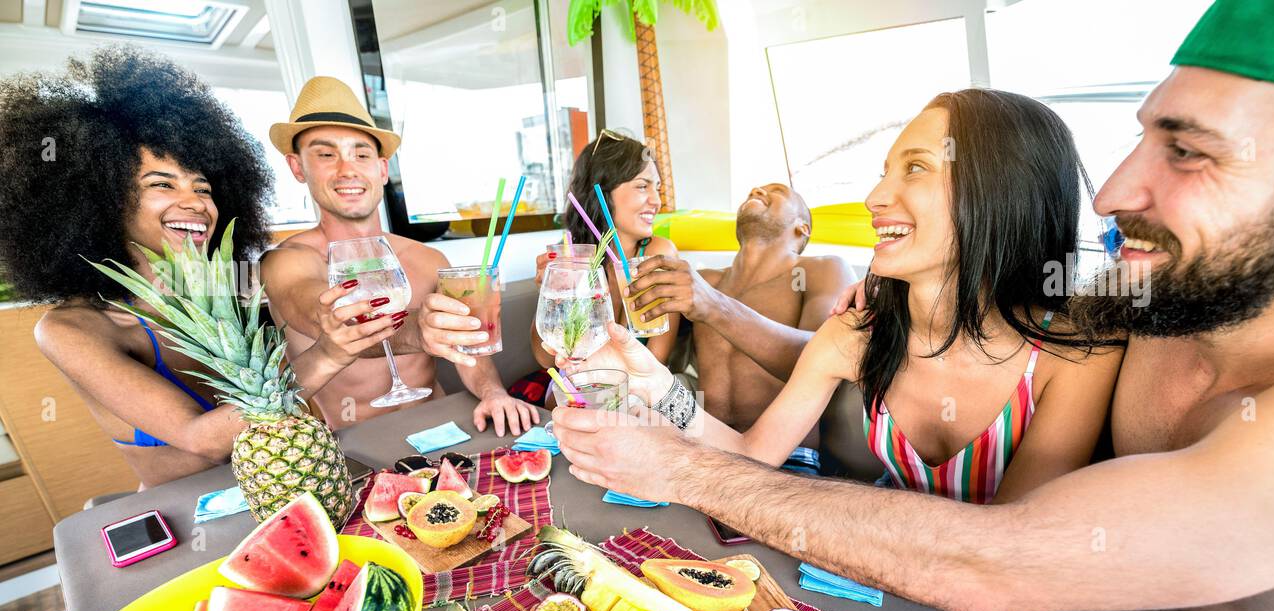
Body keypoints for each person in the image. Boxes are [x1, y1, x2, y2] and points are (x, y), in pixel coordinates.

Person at [552, 0, 1274, 611]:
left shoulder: (1090, 345)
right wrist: (648, 381)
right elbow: (1001, 306)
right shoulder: (1132, 306)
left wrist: (679, 469)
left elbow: (992, 562)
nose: (1109, 193)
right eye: (1141, 139)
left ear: (995, 191)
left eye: (1190, 151)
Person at [556, 88, 1122, 504]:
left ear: (1002, 194)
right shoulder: (855, 333)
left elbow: (1011, 546)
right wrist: (654, 386)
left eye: (916, 169)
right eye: (882, 173)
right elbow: (749, 457)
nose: (876, 196)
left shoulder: (1074, 353)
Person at [0, 47, 382, 488]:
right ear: (102, 202)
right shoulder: (72, 329)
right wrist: (330, 354)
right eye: (162, 184)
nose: (196, 203)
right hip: (190, 516)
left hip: (300, 480)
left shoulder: (230, 291)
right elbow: (201, 438)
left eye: (202, 188)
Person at [261, 76, 538, 435]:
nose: (348, 169)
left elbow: (466, 345)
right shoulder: (286, 262)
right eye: (326, 154)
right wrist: (418, 330)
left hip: (439, 427)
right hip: (351, 441)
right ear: (297, 167)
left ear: (382, 168)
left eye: (361, 154)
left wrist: (493, 392)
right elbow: (333, 321)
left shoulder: (428, 258)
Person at [615, 184, 857, 472]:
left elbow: (824, 358)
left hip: (786, 463)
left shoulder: (821, 269)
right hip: (700, 451)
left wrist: (715, 307)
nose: (756, 190)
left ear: (802, 227)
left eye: (777, 191)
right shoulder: (703, 280)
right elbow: (647, 349)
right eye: (755, 189)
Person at [531, 130, 683, 370]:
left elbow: (656, 364)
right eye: (643, 186)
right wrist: (553, 294)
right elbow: (546, 360)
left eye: (658, 188)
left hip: (641, 389)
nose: (657, 201)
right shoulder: (571, 256)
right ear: (601, 192)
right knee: (552, 397)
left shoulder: (658, 254)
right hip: (584, 386)